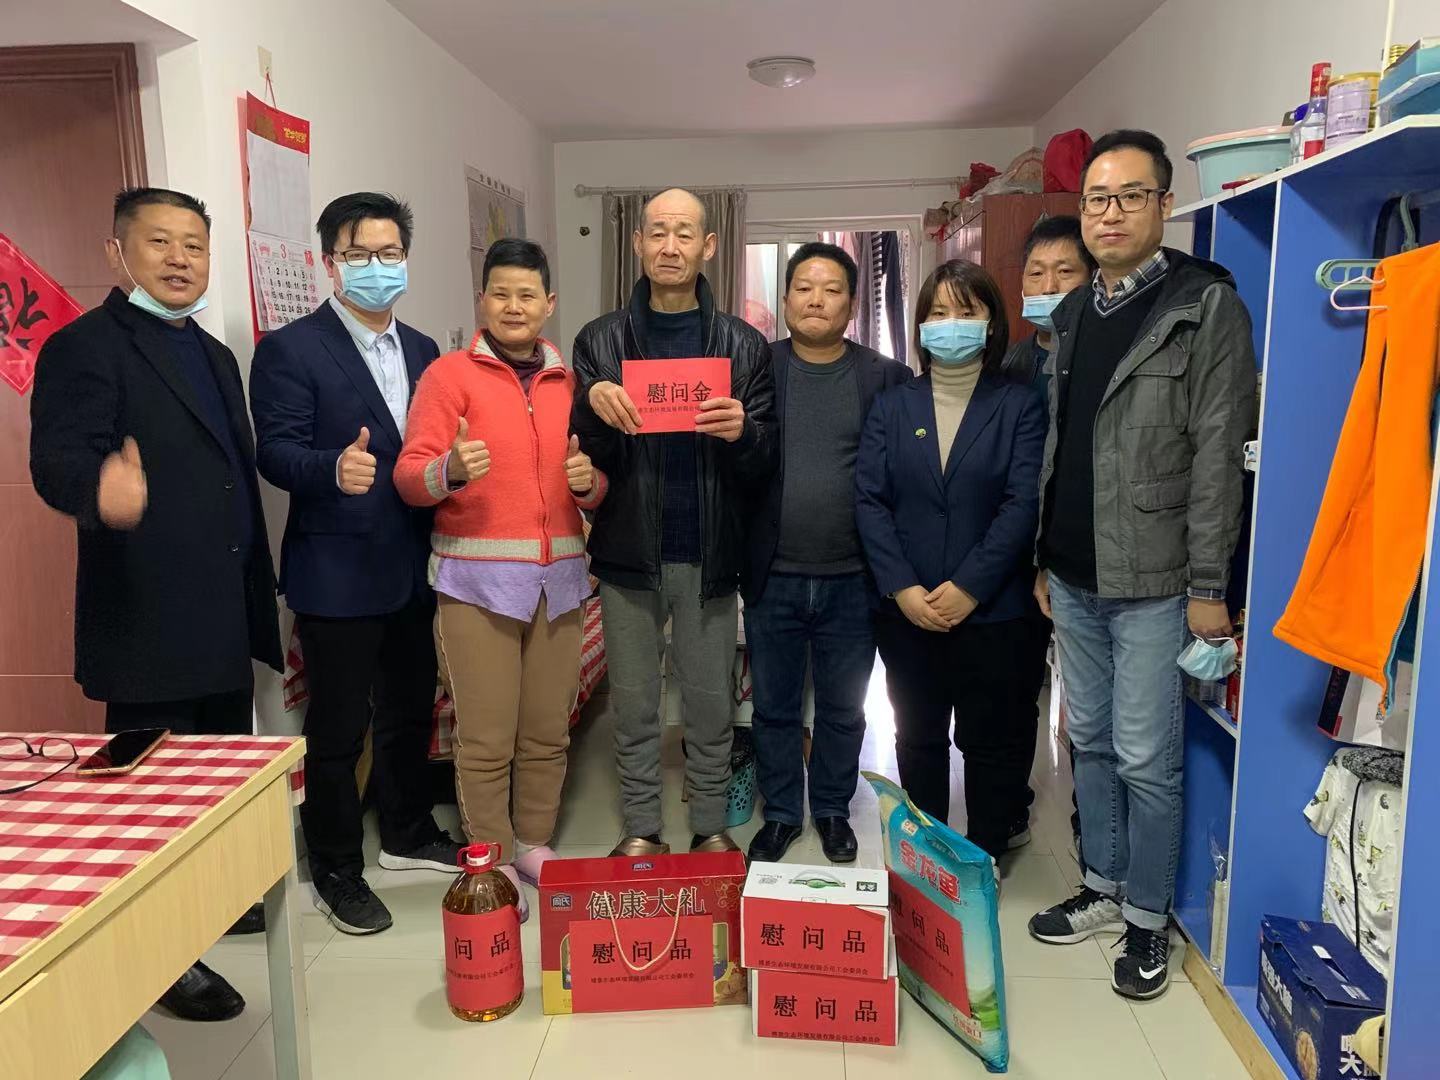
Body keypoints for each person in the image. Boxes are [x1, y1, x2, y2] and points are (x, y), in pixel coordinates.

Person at [30, 187, 283, 1021]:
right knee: (148, 798)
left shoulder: (213, 354)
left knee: (217, 776)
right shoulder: (85, 347)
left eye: (194, 246)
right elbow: (57, 459)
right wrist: (97, 488)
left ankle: (215, 900)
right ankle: (167, 957)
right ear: (117, 253)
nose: (180, 260)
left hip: (222, 608)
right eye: (160, 242)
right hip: (146, 618)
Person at [1026, 131, 1255, 1001]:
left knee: (1145, 755)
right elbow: (1060, 445)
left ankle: (1149, 920)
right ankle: (1103, 884)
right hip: (1073, 572)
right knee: (1088, 741)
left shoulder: (1204, 307)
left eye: (1130, 195)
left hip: (1157, 581)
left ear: (1164, 204)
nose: (1110, 213)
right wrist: (1043, 557)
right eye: (1097, 198)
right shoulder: (1074, 313)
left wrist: (1209, 589)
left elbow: (1217, 456)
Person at [250, 192, 460, 937]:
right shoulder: (290, 349)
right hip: (335, 572)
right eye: (360, 254)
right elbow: (274, 452)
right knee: (338, 730)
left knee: (409, 711)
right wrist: (329, 468)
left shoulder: (426, 351)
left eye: (390, 253)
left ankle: (406, 831)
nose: (377, 267)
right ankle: (337, 866)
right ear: (330, 263)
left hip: (413, 568)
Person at [394, 239, 605, 920]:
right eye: (501, 294)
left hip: (561, 581)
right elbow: (410, 476)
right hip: (476, 585)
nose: (515, 307)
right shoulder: (448, 376)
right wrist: (449, 470)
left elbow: (596, 483)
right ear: (482, 300)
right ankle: (491, 856)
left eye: (528, 295)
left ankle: (534, 842)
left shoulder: (571, 383)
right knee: (485, 737)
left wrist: (590, 484)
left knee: (547, 730)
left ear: (550, 303)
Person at [570, 188, 777, 857]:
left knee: (710, 704)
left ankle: (711, 825)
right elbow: (589, 457)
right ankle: (640, 828)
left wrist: (745, 432)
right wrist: (592, 405)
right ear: (637, 243)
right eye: (657, 232)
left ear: (708, 245)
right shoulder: (600, 341)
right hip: (629, 553)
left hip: (710, 554)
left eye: (684, 233)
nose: (669, 246)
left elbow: (765, 461)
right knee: (633, 705)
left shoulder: (743, 345)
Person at [855, 260, 1046, 862]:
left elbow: (1022, 503)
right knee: (918, 738)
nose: (951, 323)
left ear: (992, 324)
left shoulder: (1019, 404)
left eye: (967, 311)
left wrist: (970, 586)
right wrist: (902, 587)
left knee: (991, 740)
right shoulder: (893, 405)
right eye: (938, 312)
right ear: (920, 325)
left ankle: (984, 853)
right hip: (908, 612)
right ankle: (929, 856)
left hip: (995, 612)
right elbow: (870, 500)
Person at [742, 242, 911, 865]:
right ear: (786, 298)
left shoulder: (886, 377)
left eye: (832, 289)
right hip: (773, 574)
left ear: (852, 303)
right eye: (804, 288)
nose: (816, 300)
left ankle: (833, 810)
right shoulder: (757, 369)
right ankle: (783, 813)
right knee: (774, 708)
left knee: (844, 708)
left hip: (854, 577)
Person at [1001, 215, 1096, 855]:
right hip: (1017, 556)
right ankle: (1011, 803)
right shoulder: (1011, 362)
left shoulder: (1100, 355)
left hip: (1080, 554)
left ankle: (1095, 828)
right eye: (1036, 273)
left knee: (1092, 707)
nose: (1049, 285)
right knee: (1016, 691)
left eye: (1065, 272)